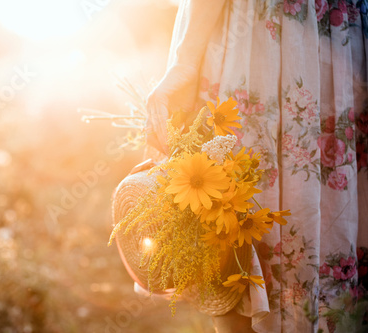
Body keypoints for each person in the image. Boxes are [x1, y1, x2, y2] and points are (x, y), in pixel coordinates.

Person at [145, 0, 368, 332]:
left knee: (234, 233)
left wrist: (186, 60)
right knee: (232, 231)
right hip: (339, 40)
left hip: (262, 42)